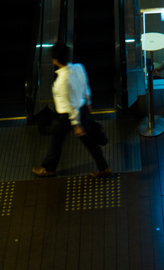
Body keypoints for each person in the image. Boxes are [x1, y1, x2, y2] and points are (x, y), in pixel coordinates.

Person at [32, 43, 110, 180]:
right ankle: (103, 168)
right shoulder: (79, 67)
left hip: (67, 117)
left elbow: (70, 105)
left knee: (56, 142)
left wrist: (76, 124)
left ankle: (49, 170)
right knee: (90, 142)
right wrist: (88, 102)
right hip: (83, 109)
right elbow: (85, 86)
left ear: (55, 60)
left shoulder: (62, 82)